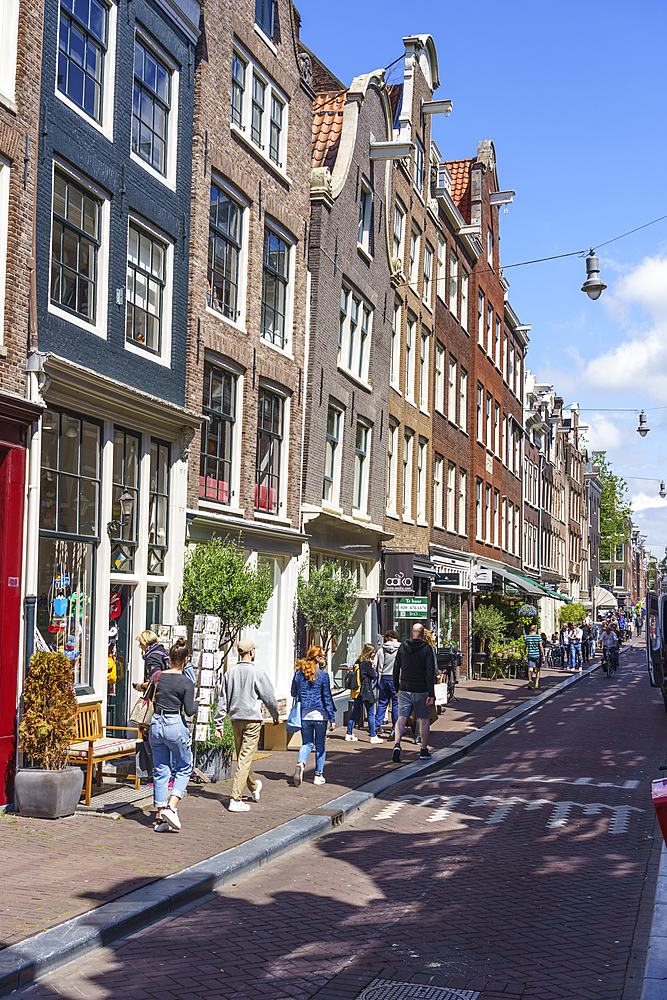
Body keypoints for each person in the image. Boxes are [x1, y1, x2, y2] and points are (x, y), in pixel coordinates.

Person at [214, 638, 279, 813]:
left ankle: (253, 786)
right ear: (251, 652)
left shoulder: (229, 674)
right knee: (244, 758)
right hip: (252, 720)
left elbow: (223, 701)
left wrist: (218, 722)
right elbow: (269, 698)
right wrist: (275, 716)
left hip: (235, 720)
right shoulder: (258, 673)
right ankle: (235, 798)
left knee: (244, 757)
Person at [148, 638, 197, 833]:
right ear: (186, 660)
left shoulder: (157, 676)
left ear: (169, 658)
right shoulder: (186, 682)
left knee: (161, 770)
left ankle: (160, 818)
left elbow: (150, 698)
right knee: (184, 767)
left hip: (156, 724)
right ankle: (172, 807)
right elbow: (189, 711)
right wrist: (197, 701)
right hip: (174, 724)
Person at [291, 646, 336, 786]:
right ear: (317, 658)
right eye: (323, 655)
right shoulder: (323, 676)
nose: (324, 658)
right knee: (320, 744)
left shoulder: (299, 674)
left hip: (304, 714)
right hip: (320, 715)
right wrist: (332, 719)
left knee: (307, 743)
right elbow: (327, 698)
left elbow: (293, 692)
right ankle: (318, 775)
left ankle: (301, 763)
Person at [391, 623, 436, 764]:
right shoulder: (427, 649)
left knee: (402, 717)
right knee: (423, 719)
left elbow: (396, 667)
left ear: (412, 633)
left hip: (404, 687)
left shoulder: (403, 647)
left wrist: (396, 687)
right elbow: (430, 671)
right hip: (421, 689)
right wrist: (431, 692)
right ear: (422, 634)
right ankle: (423, 749)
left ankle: (397, 745)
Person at [345, 643, 382, 743]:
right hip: (366, 690)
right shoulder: (367, 663)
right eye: (373, 652)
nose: (374, 654)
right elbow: (372, 675)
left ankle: (349, 733)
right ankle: (373, 736)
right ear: (369, 653)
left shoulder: (358, 661)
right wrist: (373, 666)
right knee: (370, 713)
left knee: (355, 712)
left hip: (358, 690)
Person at [374, 629, 401, 735]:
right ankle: (395, 727)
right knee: (395, 703)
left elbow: (375, 665)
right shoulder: (401, 648)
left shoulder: (382, 649)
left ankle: (376, 725)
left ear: (388, 638)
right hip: (395, 677)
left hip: (384, 677)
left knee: (382, 702)